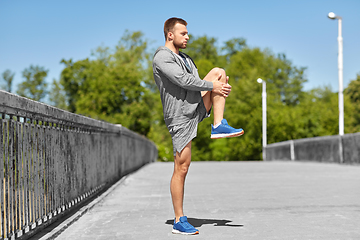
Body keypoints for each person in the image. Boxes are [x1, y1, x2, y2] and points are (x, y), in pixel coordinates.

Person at [152, 17, 244, 235]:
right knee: (182, 167)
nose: (187, 37)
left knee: (219, 72)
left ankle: (218, 125)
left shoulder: (185, 58)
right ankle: (178, 220)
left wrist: (215, 85)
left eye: (187, 33)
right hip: (179, 117)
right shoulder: (162, 57)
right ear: (170, 34)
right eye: (183, 33)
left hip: (193, 105)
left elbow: (195, 82)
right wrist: (214, 87)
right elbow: (183, 81)